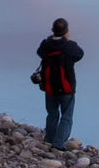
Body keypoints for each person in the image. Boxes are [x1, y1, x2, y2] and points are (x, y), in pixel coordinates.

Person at [35, 18, 83, 149]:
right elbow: (79, 54)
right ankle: (58, 143)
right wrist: (67, 41)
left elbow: (40, 52)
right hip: (66, 86)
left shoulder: (46, 44)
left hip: (49, 85)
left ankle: (49, 139)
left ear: (52, 30)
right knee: (66, 116)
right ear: (67, 31)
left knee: (52, 113)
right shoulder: (69, 46)